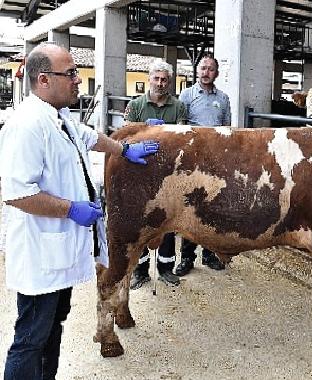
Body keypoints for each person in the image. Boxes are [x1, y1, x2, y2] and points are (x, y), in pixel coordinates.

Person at [0, 43, 158, 380]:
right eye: (70, 73)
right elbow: (17, 194)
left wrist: (125, 149)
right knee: (30, 338)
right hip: (40, 255)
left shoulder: (60, 116)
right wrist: (71, 209)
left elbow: (90, 137)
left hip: (59, 254)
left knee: (52, 328)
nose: (76, 80)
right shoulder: (26, 126)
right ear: (43, 79)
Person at [125, 58, 187, 289]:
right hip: (139, 170)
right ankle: (140, 271)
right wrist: (143, 128)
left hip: (167, 172)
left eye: (164, 79)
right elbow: (123, 136)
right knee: (141, 220)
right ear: (148, 79)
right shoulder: (136, 105)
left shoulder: (178, 107)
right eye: (156, 78)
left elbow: (182, 137)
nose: (160, 83)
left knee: (168, 218)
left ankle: (166, 268)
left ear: (169, 82)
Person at [174, 54, 230, 276]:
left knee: (212, 208)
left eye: (211, 69)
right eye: (203, 68)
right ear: (197, 71)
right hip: (193, 161)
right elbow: (180, 127)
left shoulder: (223, 98)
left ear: (216, 73)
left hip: (215, 162)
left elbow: (227, 130)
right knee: (190, 207)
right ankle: (187, 258)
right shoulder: (186, 96)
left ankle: (209, 254)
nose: (206, 72)